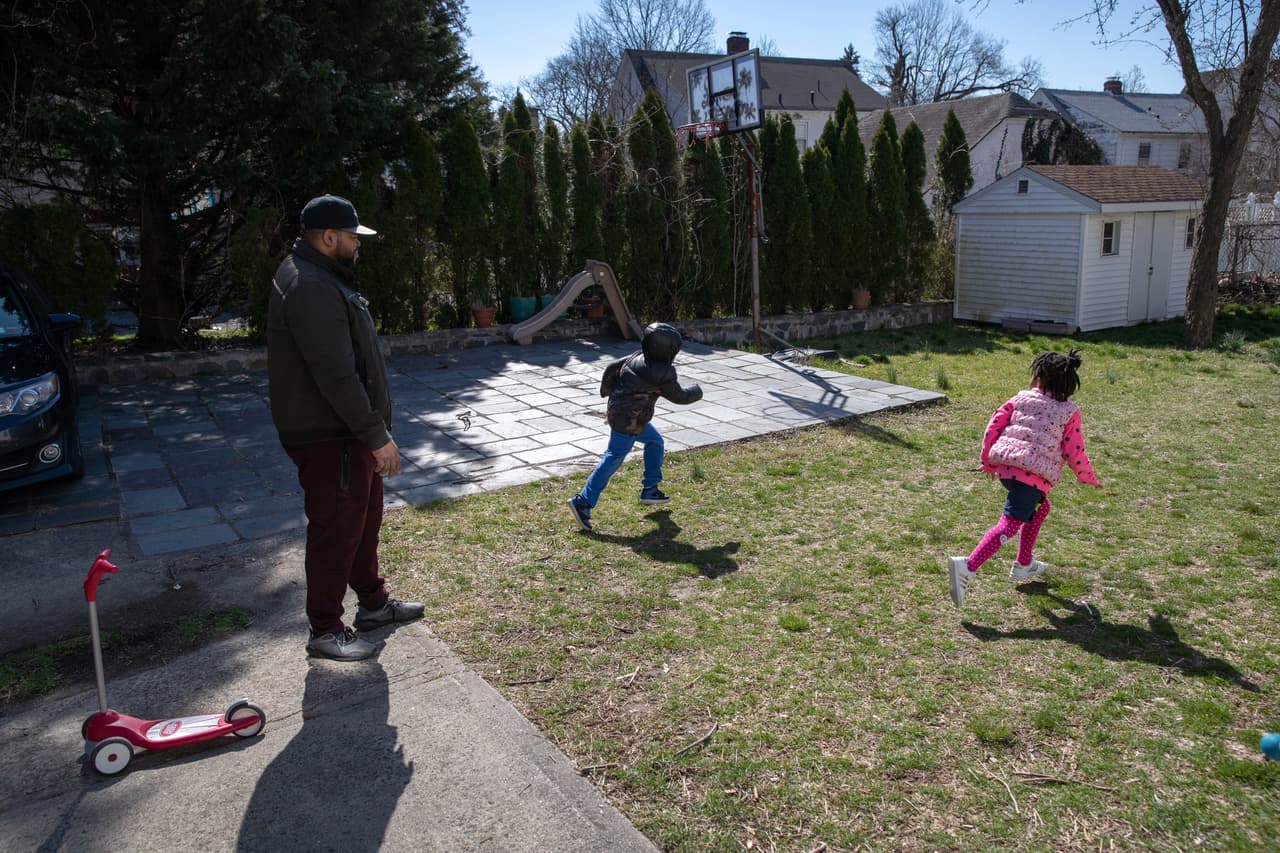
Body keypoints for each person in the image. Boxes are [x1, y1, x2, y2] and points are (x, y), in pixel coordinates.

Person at [268, 194, 423, 660]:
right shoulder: (311, 286)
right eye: (354, 237)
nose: (359, 245)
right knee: (337, 528)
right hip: (330, 434)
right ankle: (325, 628)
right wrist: (377, 436)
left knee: (363, 518)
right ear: (329, 237)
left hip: (343, 434)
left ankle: (373, 604)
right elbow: (335, 373)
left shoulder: (319, 276)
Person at [948, 349, 1101, 608]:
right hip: (1032, 476)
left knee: (1040, 509)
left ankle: (1024, 563)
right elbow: (1074, 450)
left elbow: (993, 426)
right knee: (1009, 524)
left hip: (1008, 470)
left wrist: (987, 461)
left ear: (1039, 378)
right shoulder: (1068, 412)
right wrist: (1087, 477)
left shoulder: (1020, 398)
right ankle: (968, 566)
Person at [568, 322, 703, 532]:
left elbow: (612, 368)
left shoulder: (637, 356)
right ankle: (583, 501)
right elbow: (680, 397)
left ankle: (650, 488)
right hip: (629, 421)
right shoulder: (662, 372)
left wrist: (607, 389)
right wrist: (697, 391)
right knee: (613, 458)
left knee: (655, 442)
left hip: (623, 414)